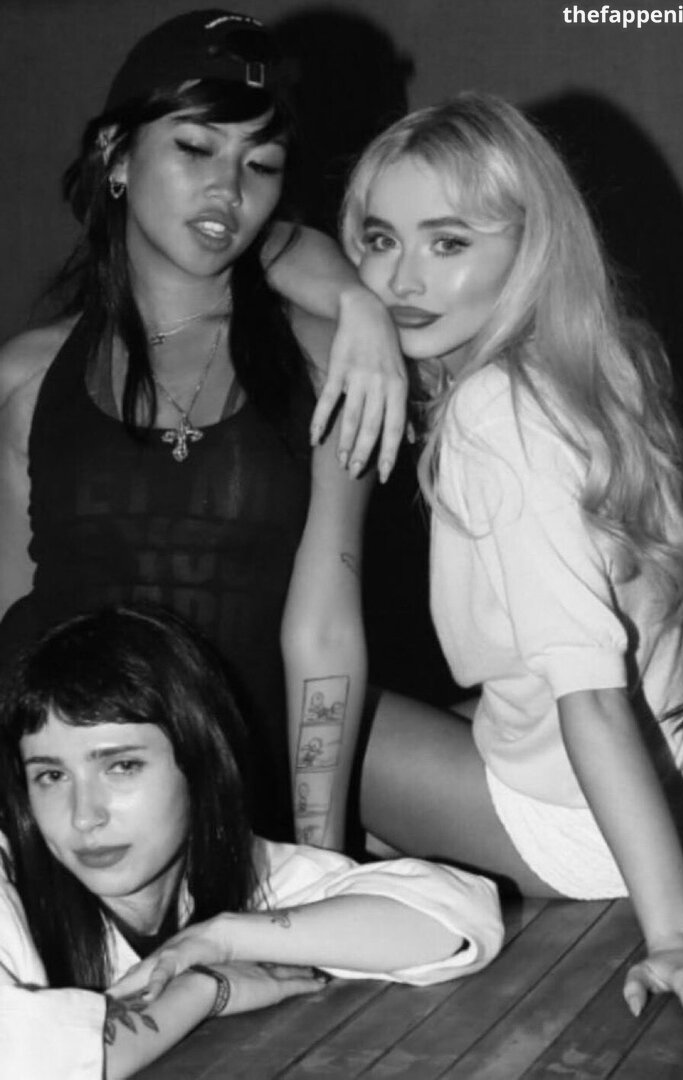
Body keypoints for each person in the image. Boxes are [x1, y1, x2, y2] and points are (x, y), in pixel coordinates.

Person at [338, 91, 683, 1032]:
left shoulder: (495, 413)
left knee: (301, 717)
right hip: (682, 801)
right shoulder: (596, 369)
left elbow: (591, 696)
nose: (401, 279)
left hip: (589, 831)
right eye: (379, 241)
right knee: (406, 721)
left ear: (529, 249)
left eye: (448, 242)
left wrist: (676, 934)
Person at [0, 9, 408, 844]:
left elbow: (324, 631)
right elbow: (11, 608)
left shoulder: (331, 363)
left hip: (236, 809)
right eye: (195, 148)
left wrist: (317, 854)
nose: (229, 189)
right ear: (117, 155)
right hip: (60, 811)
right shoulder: (27, 376)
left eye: (261, 163)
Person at [0, 605, 502, 1080]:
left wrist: (222, 939)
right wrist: (204, 990)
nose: (84, 815)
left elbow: (452, 918)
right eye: (50, 776)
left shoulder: (244, 869)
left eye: (122, 766)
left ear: (199, 763)